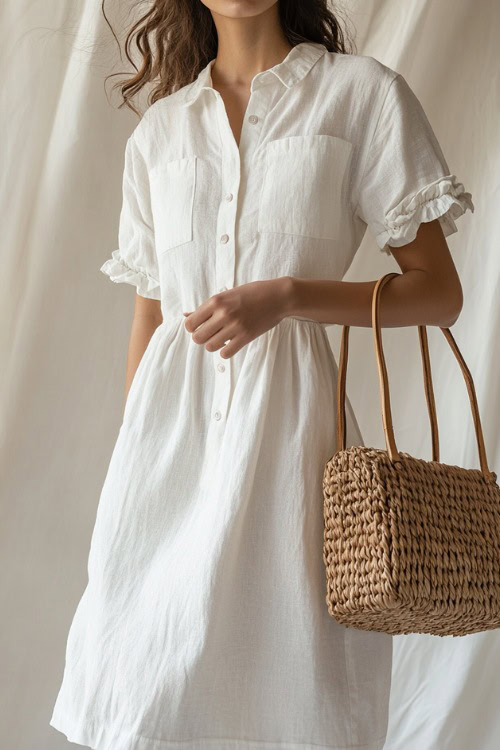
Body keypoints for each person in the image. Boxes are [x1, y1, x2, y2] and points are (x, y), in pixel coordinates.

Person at [50, 1, 473, 748]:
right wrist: (133, 460)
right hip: (168, 456)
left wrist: (288, 297)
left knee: (293, 694)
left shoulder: (360, 95)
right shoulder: (161, 133)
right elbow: (150, 314)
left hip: (292, 447)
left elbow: (438, 291)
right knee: (144, 694)